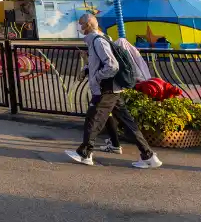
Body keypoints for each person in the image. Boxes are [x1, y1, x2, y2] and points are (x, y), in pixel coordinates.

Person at [63, 14, 162, 169]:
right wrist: (87, 69)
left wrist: (96, 77)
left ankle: (85, 154)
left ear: (88, 25)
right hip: (114, 88)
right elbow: (99, 63)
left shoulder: (98, 41)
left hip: (106, 88)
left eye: (81, 24)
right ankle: (148, 156)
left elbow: (112, 66)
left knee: (93, 119)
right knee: (127, 123)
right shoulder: (102, 39)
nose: (79, 27)